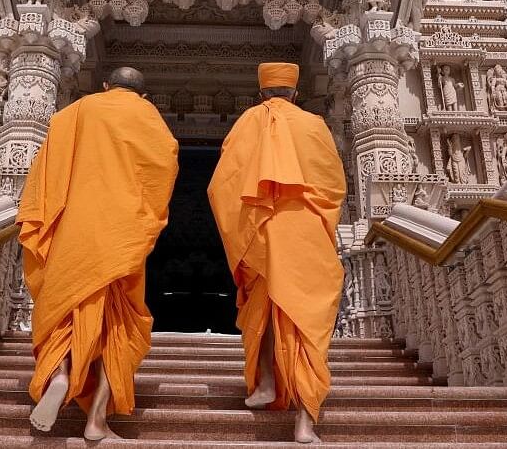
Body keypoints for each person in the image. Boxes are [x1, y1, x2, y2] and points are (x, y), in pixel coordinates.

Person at [18, 66, 179, 441]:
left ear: (106, 86)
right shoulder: (150, 119)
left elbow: (47, 171)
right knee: (118, 324)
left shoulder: (76, 111)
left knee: (65, 311)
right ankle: (96, 420)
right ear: (142, 94)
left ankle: (59, 374)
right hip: (122, 234)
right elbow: (164, 171)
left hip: (76, 228)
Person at [207, 63, 347, 444]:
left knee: (267, 305)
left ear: (261, 94)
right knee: (305, 324)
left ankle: (267, 380)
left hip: (261, 232)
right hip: (305, 232)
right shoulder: (314, 125)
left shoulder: (247, 123)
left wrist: (242, 232)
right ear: (296, 94)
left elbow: (223, 185)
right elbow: (333, 186)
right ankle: (304, 423)